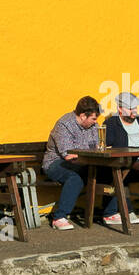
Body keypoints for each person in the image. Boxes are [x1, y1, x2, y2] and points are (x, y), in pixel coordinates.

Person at [100, 92, 139, 227]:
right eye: (130, 108)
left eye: (135, 108)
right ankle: (126, 211)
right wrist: (132, 163)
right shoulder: (111, 124)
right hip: (125, 164)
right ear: (120, 109)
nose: (134, 111)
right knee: (118, 175)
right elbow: (108, 148)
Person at [41, 96, 101, 230]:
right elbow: (68, 155)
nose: (96, 122)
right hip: (56, 163)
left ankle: (111, 213)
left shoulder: (93, 126)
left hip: (83, 162)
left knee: (111, 172)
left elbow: (97, 147)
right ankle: (59, 218)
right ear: (82, 116)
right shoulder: (64, 125)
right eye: (93, 118)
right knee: (75, 179)